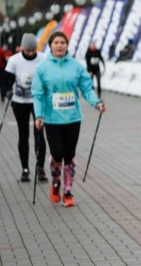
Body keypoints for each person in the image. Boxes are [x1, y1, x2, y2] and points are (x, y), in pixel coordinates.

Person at [33, 31, 105, 207]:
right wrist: (39, 115)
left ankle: (68, 192)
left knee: (70, 155)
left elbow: (87, 89)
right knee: (57, 153)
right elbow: (38, 94)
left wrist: (97, 103)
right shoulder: (42, 68)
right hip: (52, 119)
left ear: (67, 45)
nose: (59, 45)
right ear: (50, 46)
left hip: (73, 118)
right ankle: (56, 181)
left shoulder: (76, 66)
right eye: (56, 42)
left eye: (62, 43)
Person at [4, 33, 48, 183]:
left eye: (33, 50)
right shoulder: (14, 60)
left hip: (38, 101)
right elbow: (5, 80)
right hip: (20, 102)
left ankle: (40, 168)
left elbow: (48, 77)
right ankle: (25, 169)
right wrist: (7, 90)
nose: (30, 53)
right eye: (27, 50)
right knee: (23, 134)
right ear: (22, 48)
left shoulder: (43, 58)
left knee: (39, 134)